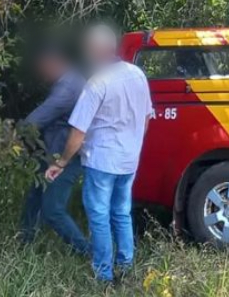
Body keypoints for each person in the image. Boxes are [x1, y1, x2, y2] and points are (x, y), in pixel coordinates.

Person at [47, 24, 153, 282]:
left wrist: (61, 162)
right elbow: (146, 117)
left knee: (99, 216)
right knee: (121, 212)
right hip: (129, 160)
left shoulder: (97, 83)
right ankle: (126, 266)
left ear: (96, 49)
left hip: (102, 161)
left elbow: (78, 132)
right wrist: (133, 143)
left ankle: (103, 274)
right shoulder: (137, 74)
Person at [18, 46, 91, 256]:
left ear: (54, 64)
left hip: (66, 156)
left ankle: (87, 253)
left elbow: (36, 120)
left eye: (43, 69)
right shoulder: (69, 80)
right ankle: (25, 240)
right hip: (53, 153)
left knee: (52, 210)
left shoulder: (68, 87)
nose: (42, 75)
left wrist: (9, 139)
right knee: (35, 195)